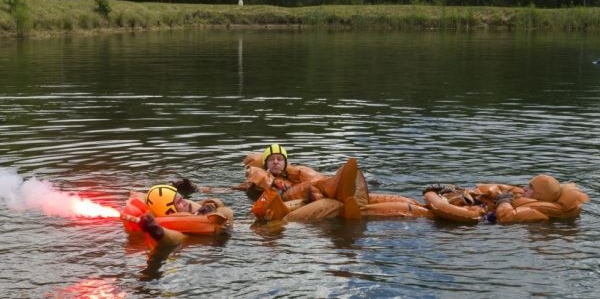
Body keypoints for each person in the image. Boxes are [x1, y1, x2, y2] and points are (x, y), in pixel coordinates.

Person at [241, 144, 431, 221]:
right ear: (265, 163)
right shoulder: (258, 178)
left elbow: (317, 179)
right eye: (272, 159)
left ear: (285, 162)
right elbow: (238, 188)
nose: (275, 162)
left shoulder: (297, 173)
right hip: (290, 199)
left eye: (279, 159)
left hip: (318, 194)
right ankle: (340, 188)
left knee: (370, 197)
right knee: (315, 187)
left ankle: (418, 206)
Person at [422, 174, 589, 224]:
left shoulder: (538, 212)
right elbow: (496, 189)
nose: (524, 188)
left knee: (418, 213)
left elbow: (507, 217)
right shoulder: (522, 196)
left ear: (540, 195)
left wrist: (503, 201)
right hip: (477, 211)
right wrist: (457, 190)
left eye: (530, 187)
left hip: (479, 221)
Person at [134, 184, 233, 254]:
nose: (185, 202)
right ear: (170, 212)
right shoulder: (179, 234)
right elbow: (172, 239)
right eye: (179, 202)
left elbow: (217, 205)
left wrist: (210, 205)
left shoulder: (194, 208)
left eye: (182, 198)